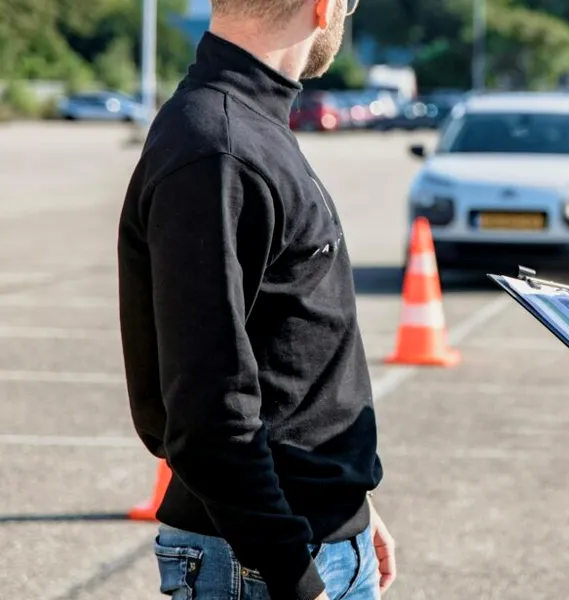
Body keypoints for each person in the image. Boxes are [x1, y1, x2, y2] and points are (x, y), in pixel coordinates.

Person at [117, 1, 395, 599]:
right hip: (261, 566)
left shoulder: (248, 126)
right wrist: (296, 576)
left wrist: (350, 509)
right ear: (323, 7)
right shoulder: (218, 149)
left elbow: (289, 351)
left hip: (315, 538)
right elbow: (207, 413)